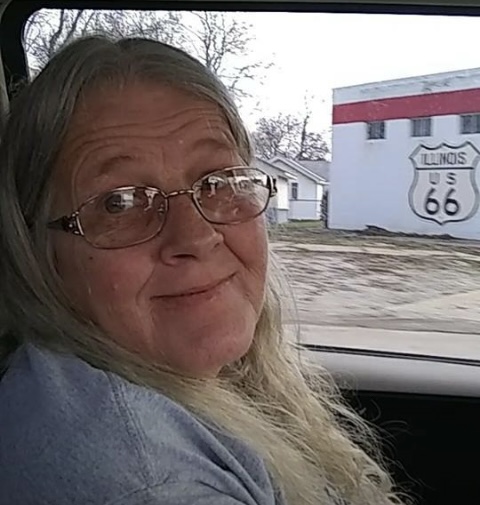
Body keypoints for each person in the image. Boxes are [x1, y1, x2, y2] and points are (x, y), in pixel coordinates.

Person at [0, 36, 406, 505]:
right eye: (120, 202)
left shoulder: (180, 382)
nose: (196, 237)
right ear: (38, 249)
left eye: (219, 182)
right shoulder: (145, 481)